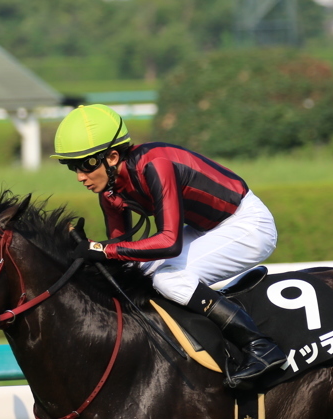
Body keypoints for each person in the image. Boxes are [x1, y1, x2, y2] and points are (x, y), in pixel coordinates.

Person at [52, 104, 286, 388]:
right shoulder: (110, 192)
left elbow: (169, 242)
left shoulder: (155, 164)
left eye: (87, 164)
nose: (80, 176)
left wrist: (103, 250)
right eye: (72, 166)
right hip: (208, 228)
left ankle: (259, 346)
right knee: (138, 271)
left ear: (112, 157)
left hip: (248, 225)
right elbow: (121, 253)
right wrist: (85, 252)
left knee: (168, 279)